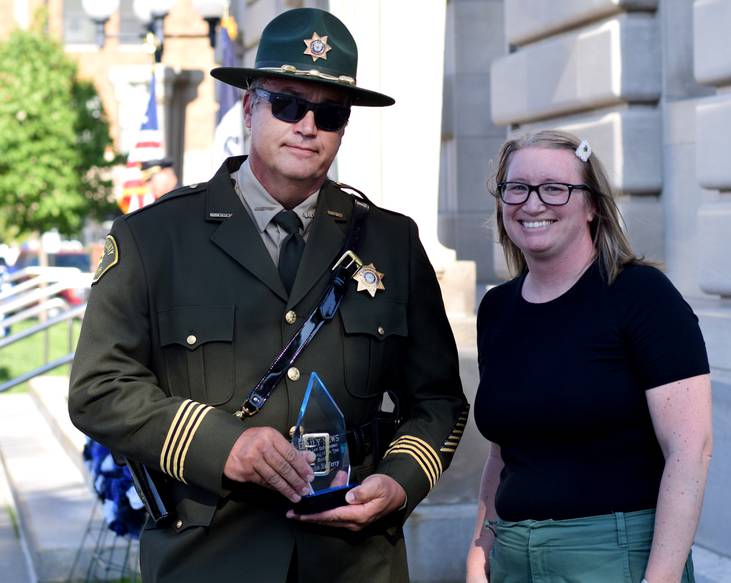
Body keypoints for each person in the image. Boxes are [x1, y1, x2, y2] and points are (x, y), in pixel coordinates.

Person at [69, 8, 468, 583]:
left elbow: (439, 403)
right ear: (250, 106)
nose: (307, 125)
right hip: (210, 556)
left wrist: (399, 482)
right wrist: (218, 444)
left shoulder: (391, 241)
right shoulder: (154, 238)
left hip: (353, 561)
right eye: (287, 104)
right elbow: (98, 388)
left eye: (329, 114)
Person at [465, 130, 712, 583]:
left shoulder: (641, 296)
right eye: (516, 188)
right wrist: (480, 548)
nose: (532, 203)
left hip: (615, 558)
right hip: (511, 559)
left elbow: (690, 450)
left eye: (555, 188)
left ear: (593, 204)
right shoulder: (497, 308)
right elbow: (504, 450)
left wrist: (661, 579)